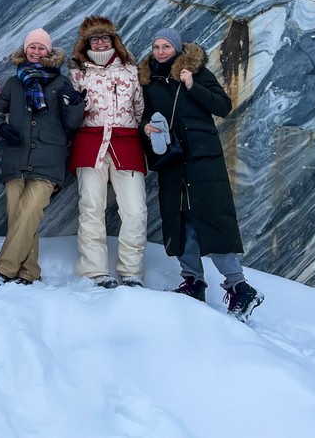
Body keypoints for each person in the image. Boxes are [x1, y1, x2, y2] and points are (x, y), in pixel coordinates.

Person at [139, 28, 264, 322]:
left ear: (177, 48)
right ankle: (193, 282)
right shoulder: (149, 81)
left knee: (210, 219)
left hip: (202, 160)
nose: (160, 51)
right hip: (172, 159)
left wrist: (192, 85)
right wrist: (145, 127)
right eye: (156, 46)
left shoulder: (195, 72)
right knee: (180, 221)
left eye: (166, 46)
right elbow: (144, 114)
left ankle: (241, 287)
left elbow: (223, 106)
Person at [0, 28, 84, 286]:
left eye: (42, 48)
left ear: (49, 52)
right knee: (17, 217)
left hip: (48, 160)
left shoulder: (60, 83)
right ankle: (29, 271)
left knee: (30, 212)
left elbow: (71, 124)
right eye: (33, 47)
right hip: (16, 159)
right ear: (25, 49)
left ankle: (5, 268)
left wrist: (76, 103)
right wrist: (1, 127)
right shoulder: (13, 83)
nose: (36, 51)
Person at [68, 16, 147, 289]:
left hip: (126, 145)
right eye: (94, 39)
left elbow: (139, 109)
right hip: (90, 145)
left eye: (104, 37)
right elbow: (71, 113)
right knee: (91, 207)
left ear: (114, 40)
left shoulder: (131, 72)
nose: (100, 43)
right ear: (86, 43)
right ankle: (95, 270)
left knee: (135, 210)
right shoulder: (78, 74)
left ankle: (132, 270)